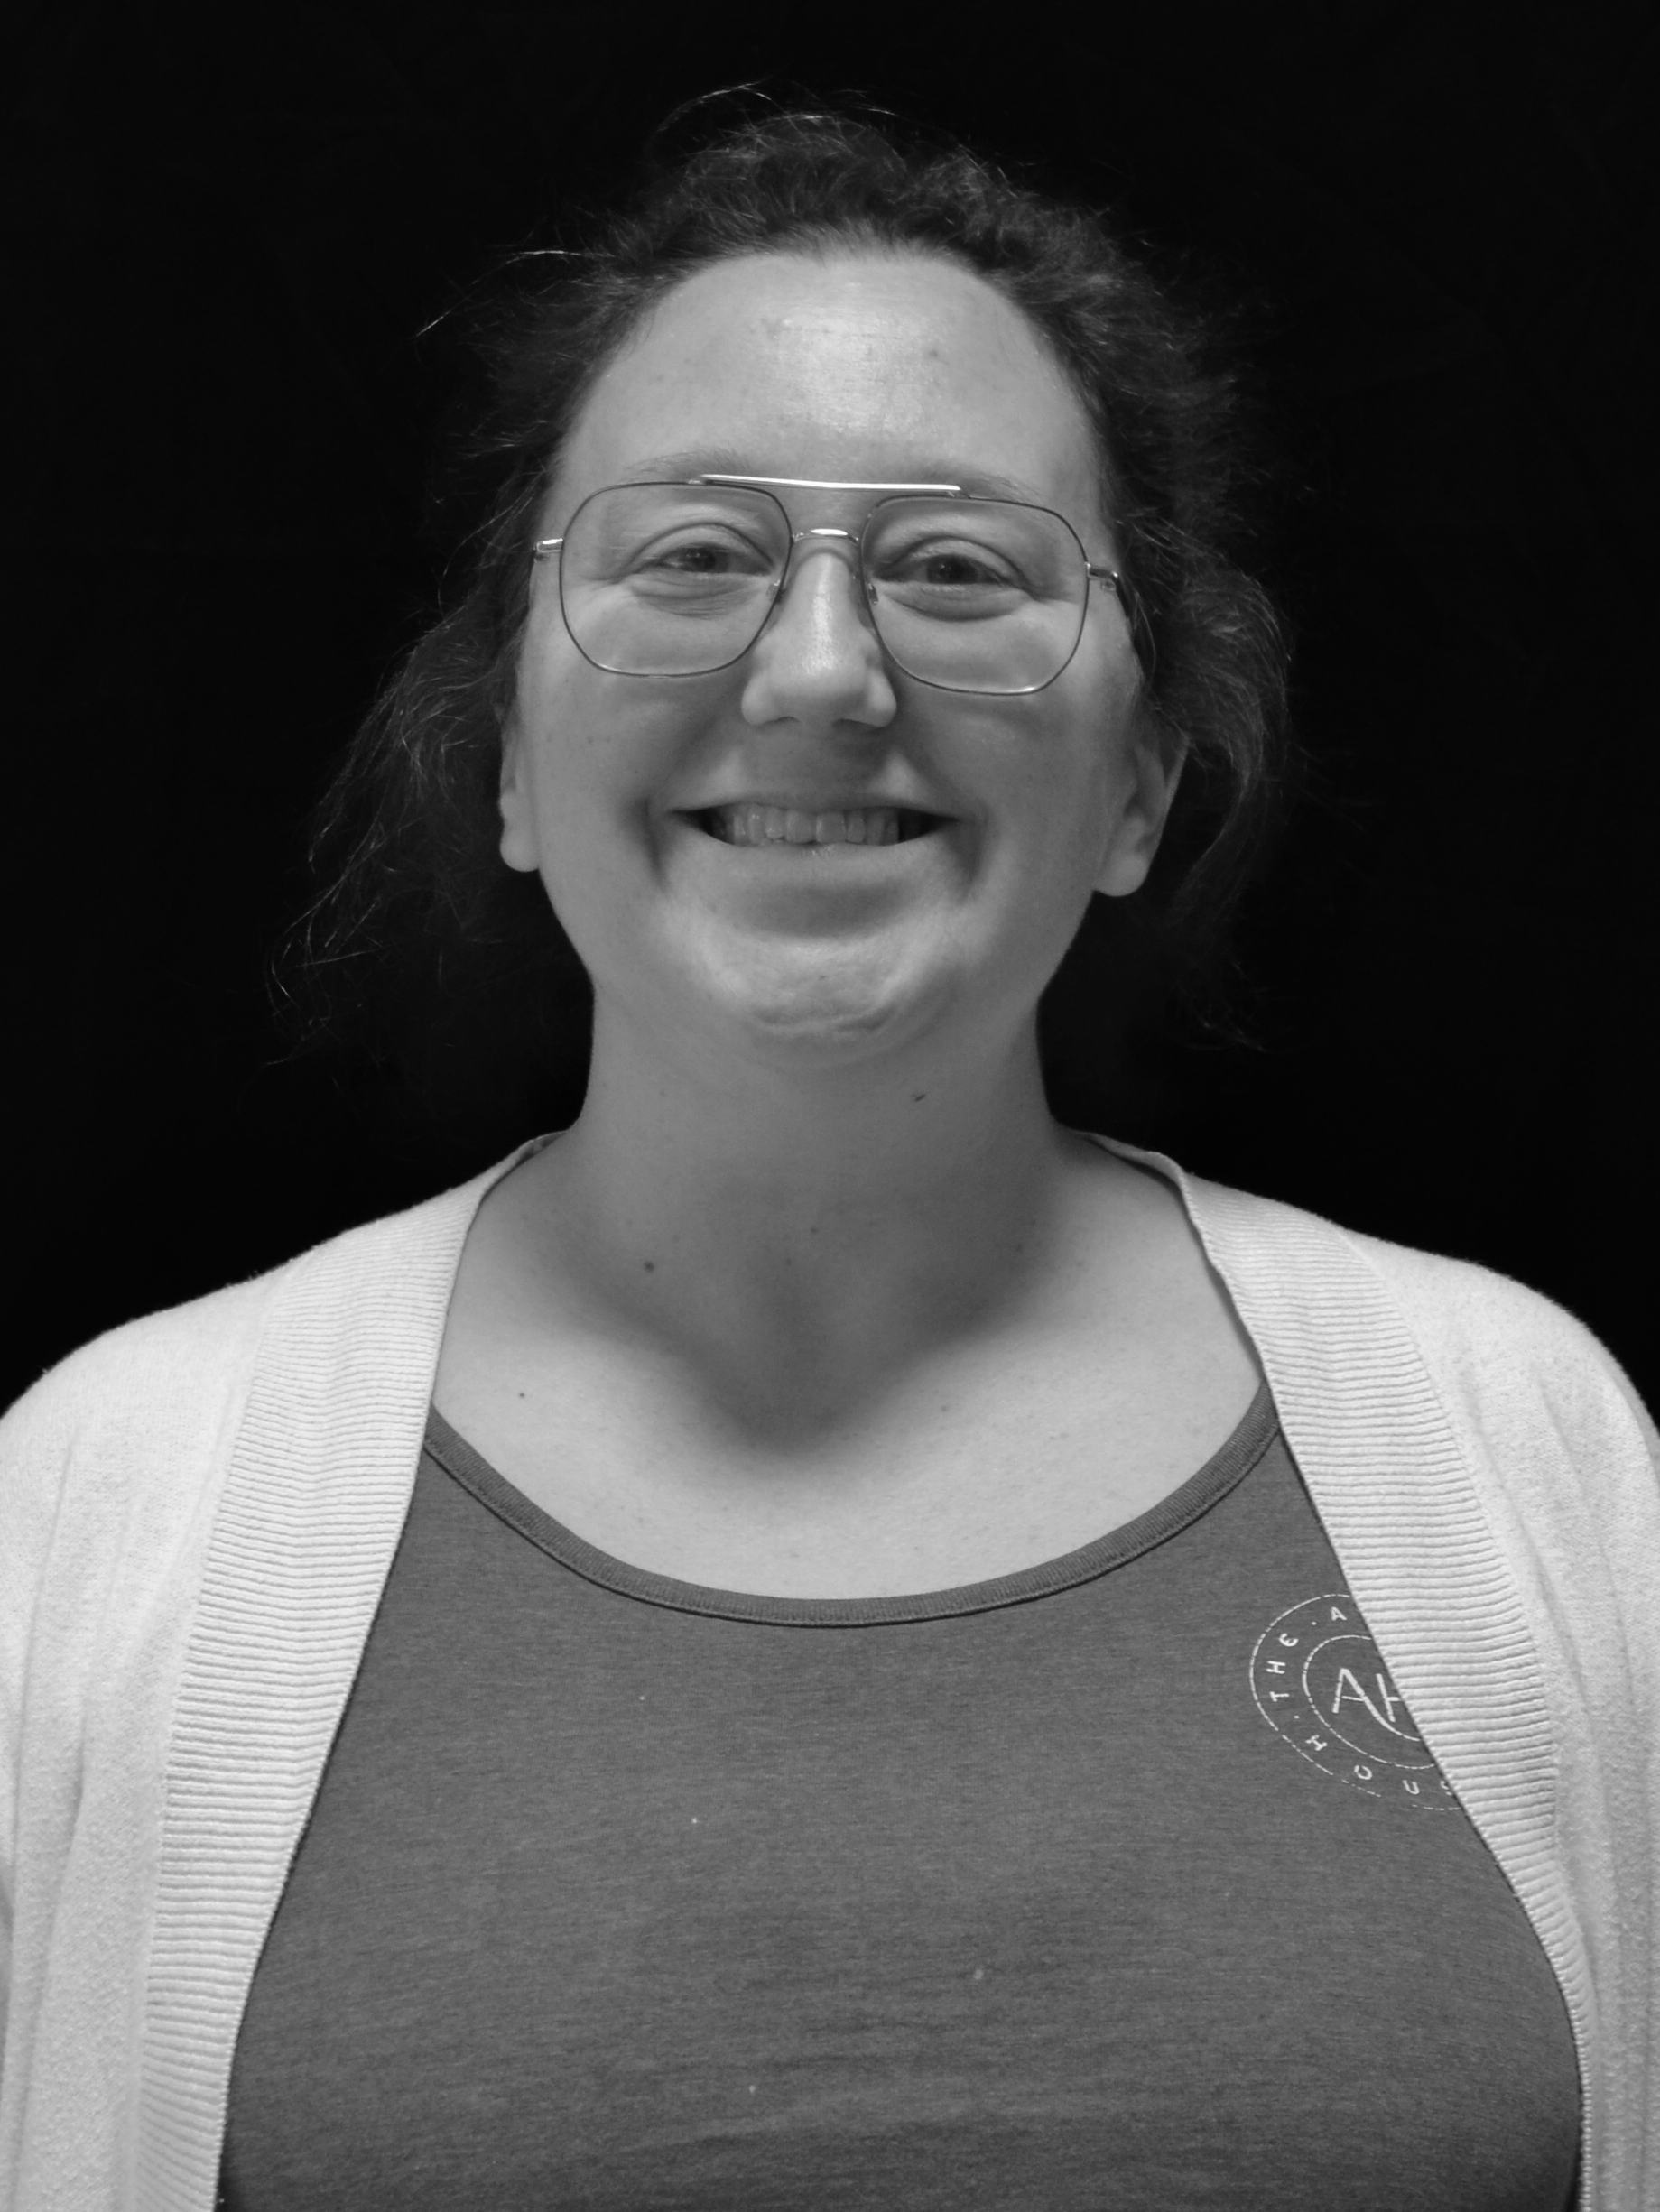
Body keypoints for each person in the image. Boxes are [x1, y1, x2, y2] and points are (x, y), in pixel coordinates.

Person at [1, 106, 1654, 2212]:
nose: (816, 674)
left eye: (958, 569)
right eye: (690, 556)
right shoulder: (100, 1502)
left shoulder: (1530, 1455)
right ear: (505, 749)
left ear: (1143, 780)